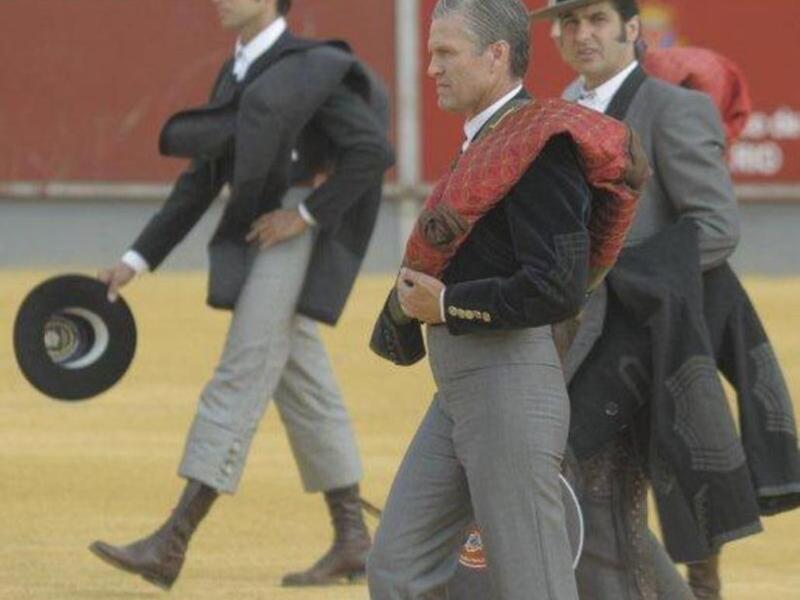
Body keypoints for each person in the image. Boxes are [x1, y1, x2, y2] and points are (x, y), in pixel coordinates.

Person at [89, 0, 394, 590]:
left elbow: (372, 153)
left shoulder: (314, 66)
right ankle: (354, 537)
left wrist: (304, 215)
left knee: (241, 370)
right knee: (301, 377)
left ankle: (172, 542)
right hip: (264, 232)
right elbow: (201, 180)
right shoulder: (236, 71)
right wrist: (136, 259)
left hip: (290, 235)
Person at [366, 0, 646, 597]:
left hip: (509, 383)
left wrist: (445, 307)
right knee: (397, 568)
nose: (431, 68)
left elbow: (557, 285)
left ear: (496, 57)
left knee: (534, 583)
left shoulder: (541, 147)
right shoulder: (493, 139)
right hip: (463, 388)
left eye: (445, 53)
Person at [531, 1, 800, 599]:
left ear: (632, 29)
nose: (583, 34)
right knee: (593, 492)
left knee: (637, 481)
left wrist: (622, 275)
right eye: (569, 23)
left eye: (597, 19)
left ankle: (696, 591)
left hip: (648, 333)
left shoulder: (673, 107)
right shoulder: (550, 117)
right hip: (570, 335)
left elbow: (714, 224)